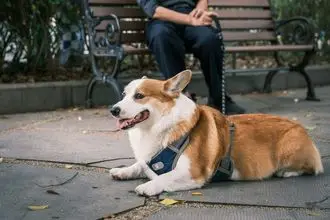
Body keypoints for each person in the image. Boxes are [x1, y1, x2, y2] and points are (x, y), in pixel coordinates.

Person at [136, 0, 246, 114]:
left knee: (210, 39)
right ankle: (179, 98)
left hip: (192, 17)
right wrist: (190, 20)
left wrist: (200, 10)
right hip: (162, 20)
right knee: (161, 36)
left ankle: (219, 98)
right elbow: (153, 10)